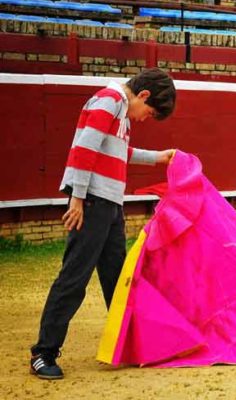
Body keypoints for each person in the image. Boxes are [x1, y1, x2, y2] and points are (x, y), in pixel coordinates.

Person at [30, 68, 177, 380]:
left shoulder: (119, 108)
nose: (144, 118)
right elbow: (85, 148)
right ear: (144, 95)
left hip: (109, 204)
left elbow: (120, 151)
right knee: (74, 278)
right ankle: (43, 353)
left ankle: (130, 343)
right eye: (148, 113)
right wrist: (78, 199)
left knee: (118, 278)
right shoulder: (108, 101)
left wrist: (158, 158)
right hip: (93, 202)